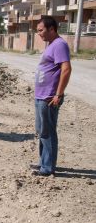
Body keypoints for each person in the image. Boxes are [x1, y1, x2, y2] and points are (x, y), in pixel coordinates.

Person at [32, 16, 72, 176]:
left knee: (48, 132)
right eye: (38, 31)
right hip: (41, 96)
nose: (39, 34)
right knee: (42, 131)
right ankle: (43, 163)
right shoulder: (51, 45)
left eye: (41, 30)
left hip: (49, 97)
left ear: (52, 29)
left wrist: (58, 94)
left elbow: (66, 69)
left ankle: (48, 168)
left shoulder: (60, 45)